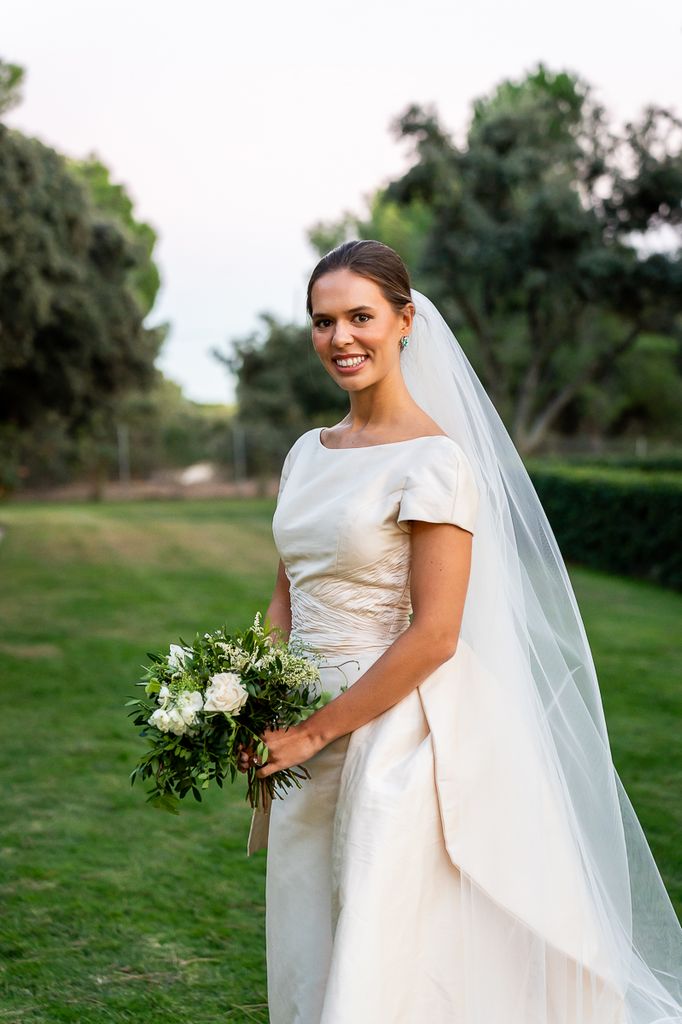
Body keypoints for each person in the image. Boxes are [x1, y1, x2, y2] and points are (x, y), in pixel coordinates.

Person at [237, 239, 682, 1023]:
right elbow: (286, 594)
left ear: (405, 321)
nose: (340, 338)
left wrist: (313, 735)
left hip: (392, 733)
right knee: (312, 927)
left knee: (388, 946)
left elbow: (436, 634)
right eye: (322, 321)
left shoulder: (436, 461)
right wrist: (248, 701)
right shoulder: (306, 453)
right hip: (301, 722)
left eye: (360, 317)